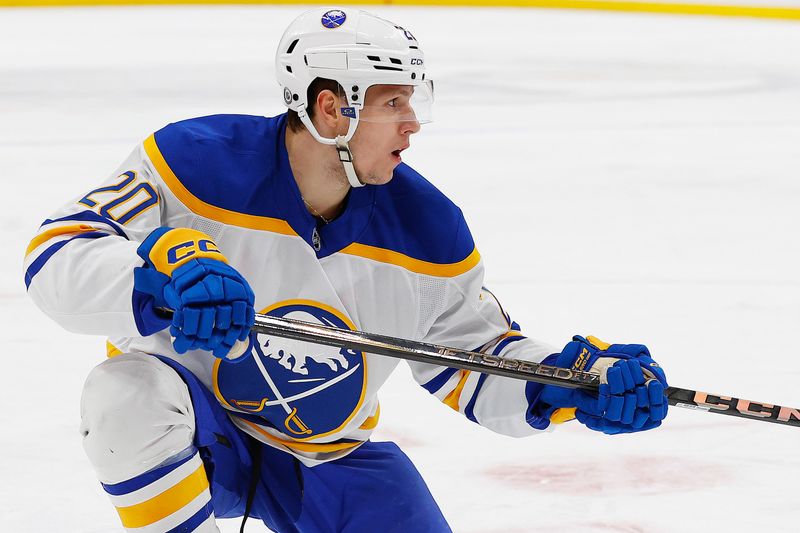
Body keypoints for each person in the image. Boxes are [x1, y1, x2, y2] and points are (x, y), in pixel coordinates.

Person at [23, 7, 668, 533]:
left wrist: (567, 381)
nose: (413, 125)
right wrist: (158, 270)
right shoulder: (193, 164)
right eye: (393, 103)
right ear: (333, 109)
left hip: (322, 455)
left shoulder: (427, 227)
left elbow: (474, 355)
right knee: (124, 393)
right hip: (198, 428)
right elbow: (57, 254)